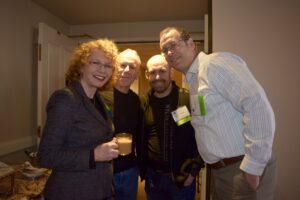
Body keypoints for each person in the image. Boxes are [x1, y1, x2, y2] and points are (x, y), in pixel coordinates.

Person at [159, 27, 277, 200]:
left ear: (191, 44)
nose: (169, 52)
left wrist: (254, 165)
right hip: (219, 173)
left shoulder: (214, 65)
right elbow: (202, 122)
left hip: (241, 168)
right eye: (164, 50)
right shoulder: (193, 82)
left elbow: (256, 104)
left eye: (173, 45)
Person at [37, 39, 120, 200]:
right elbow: (46, 156)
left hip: (100, 189)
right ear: (81, 65)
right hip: (72, 191)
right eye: (95, 62)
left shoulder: (98, 99)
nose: (102, 70)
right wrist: (93, 155)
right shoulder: (65, 98)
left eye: (108, 65)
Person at [139, 54, 204, 200]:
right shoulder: (142, 103)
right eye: (152, 72)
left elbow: (207, 135)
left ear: (171, 72)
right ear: (146, 74)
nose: (157, 77)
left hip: (182, 181)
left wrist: (194, 171)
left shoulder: (193, 99)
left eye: (162, 71)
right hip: (153, 180)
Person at [100, 49, 142, 200]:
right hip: (104, 169)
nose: (127, 70)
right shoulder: (100, 97)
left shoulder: (137, 100)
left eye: (132, 67)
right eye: (123, 65)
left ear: (137, 74)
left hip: (130, 170)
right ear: (114, 67)